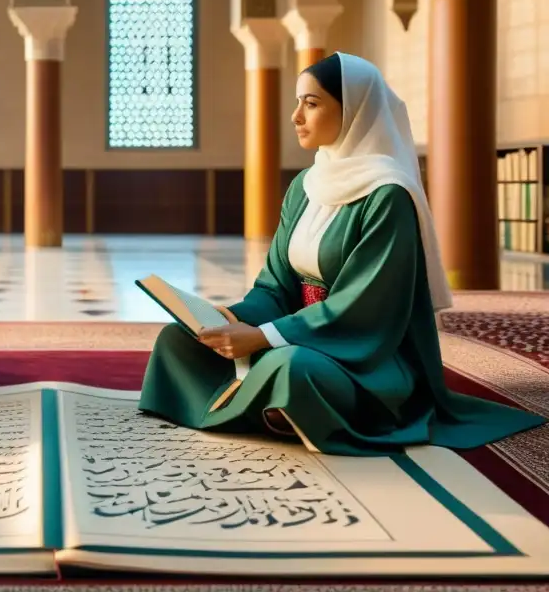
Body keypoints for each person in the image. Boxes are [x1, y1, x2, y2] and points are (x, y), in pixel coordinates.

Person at [138, 52, 545, 456]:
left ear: (353, 111)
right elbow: (277, 284)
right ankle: (274, 410)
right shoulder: (305, 186)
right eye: (298, 102)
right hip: (296, 333)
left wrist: (263, 337)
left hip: (365, 355)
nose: (296, 116)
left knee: (293, 369)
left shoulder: (388, 195)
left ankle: (274, 404)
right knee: (180, 340)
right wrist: (237, 317)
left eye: (311, 104)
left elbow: (364, 308)